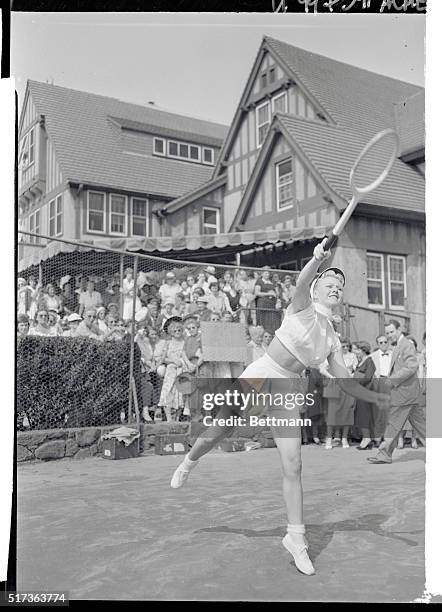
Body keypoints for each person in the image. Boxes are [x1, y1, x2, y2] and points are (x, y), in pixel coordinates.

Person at [169, 238, 389, 576]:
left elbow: (344, 380)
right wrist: (316, 259)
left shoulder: (332, 337)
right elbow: (302, 281)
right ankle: (188, 461)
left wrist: (375, 398)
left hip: (287, 387)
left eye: (340, 287)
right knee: (221, 429)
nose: (336, 289)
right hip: (260, 374)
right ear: (316, 290)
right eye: (330, 283)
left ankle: (296, 539)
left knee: (294, 464)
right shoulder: (302, 306)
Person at [368, 320, 424, 464]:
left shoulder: (406, 345)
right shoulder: (400, 345)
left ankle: (384, 455)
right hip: (408, 394)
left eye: (392, 332)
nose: (389, 335)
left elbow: (412, 366)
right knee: (422, 426)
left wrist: (392, 380)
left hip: (404, 394)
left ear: (400, 330)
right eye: (387, 333)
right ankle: (384, 454)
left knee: (393, 424)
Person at [351, 341, 378, 450]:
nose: (355, 352)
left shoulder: (369, 361)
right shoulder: (361, 361)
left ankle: (367, 438)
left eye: (356, 350)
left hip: (366, 391)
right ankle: (366, 438)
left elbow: (368, 377)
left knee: (364, 414)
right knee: (361, 414)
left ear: (362, 350)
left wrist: (356, 381)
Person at [254, 268, 280, 334]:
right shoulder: (259, 281)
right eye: (265, 273)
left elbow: (277, 294)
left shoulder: (273, 282)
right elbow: (257, 293)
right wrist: (268, 293)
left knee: (272, 321)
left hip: (272, 304)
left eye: (268, 273)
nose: (267, 274)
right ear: (262, 274)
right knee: (262, 321)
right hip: (263, 303)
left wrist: (275, 295)